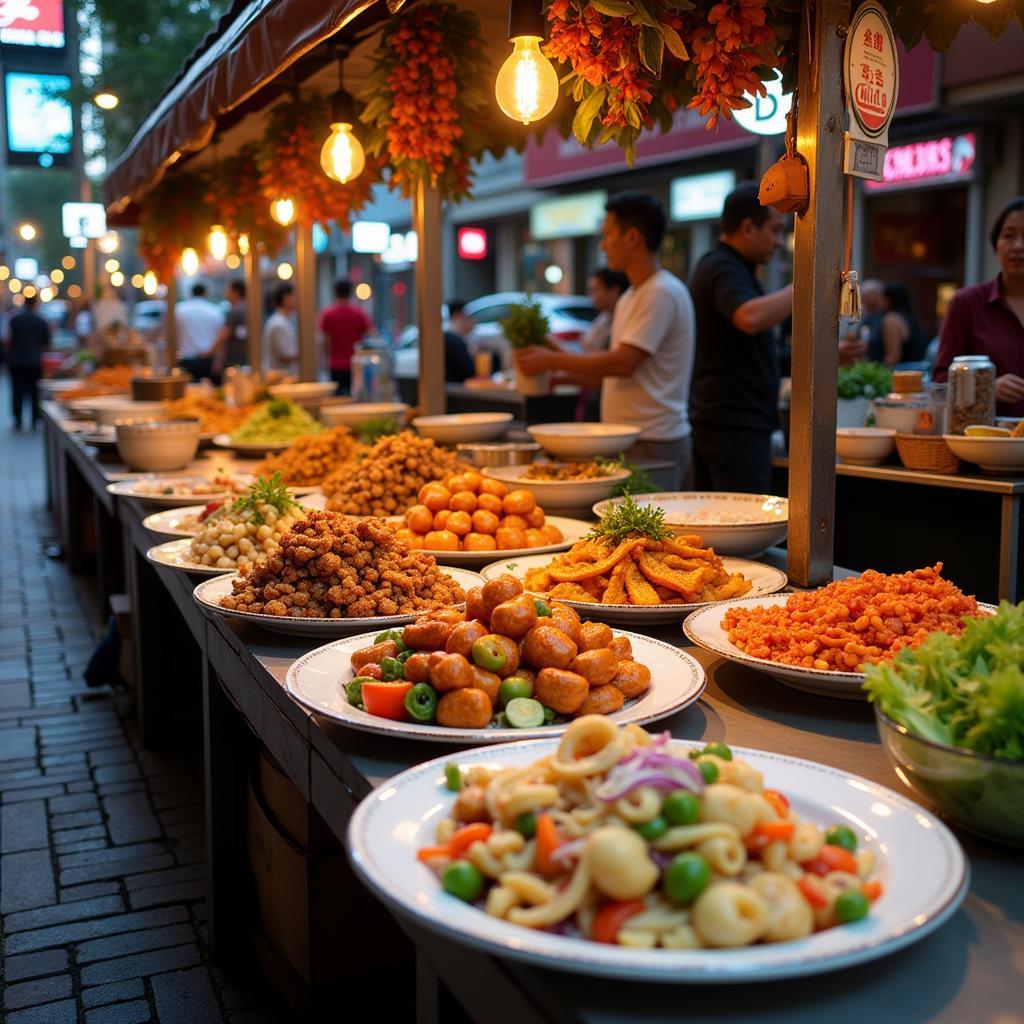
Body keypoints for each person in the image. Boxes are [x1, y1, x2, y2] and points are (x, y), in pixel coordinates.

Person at [515, 193, 695, 486]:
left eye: (608, 236)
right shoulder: (631, 295)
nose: (602, 245)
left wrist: (551, 359)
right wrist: (553, 373)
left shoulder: (660, 291)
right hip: (627, 439)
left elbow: (623, 364)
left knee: (650, 531)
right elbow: (606, 377)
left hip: (654, 440)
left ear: (633, 237)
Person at [688, 182, 792, 493]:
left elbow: (753, 352)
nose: (778, 242)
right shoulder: (721, 265)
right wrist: (809, 285)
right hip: (732, 428)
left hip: (731, 424)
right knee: (740, 532)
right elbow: (750, 317)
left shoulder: (735, 268)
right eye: (774, 230)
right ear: (748, 227)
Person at [934, 197, 1024, 417]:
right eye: (1008, 236)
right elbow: (941, 381)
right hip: (985, 441)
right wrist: (987, 388)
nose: (1018, 246)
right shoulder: (967, 303)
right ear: (996, 245)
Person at [578, 268, 630, 420]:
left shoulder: (622, 319)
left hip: (610, 405)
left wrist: (552, 360)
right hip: (600, 402)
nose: (591, 296)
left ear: (614, 291)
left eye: (595, 290)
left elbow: (608, 366)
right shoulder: (603, 320)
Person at [319, 279, 372, 394]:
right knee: (355, 397)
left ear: (335, 292)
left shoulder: (328, 314)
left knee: (337, 399)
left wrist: (324, 359)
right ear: (351, 292)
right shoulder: (359, 313)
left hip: (335, 364)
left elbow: (325, 341)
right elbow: (370, 335)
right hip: (356, 364)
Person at [7, 294, 50, 430]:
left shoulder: (14, 320)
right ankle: (34, 419)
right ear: (35, 303)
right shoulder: (41, 321)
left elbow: (8, 341)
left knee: (16, 390)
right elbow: (46, 345)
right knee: (34, 391)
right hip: (34, 361)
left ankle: (18, 419)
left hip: (16, 361)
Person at [175, 283, 224, 382]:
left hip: (186, 360)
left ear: (190, 293)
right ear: (206, 293)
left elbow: (173, 334)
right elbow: (220, 338)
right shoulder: (215, 311)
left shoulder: (179, 310)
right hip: (208, 360)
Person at [870, 283, 927, 367]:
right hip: (914, 373)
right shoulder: (910, 317)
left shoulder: (891, 319)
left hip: (900, 375)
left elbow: (893, 357)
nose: (878, 300)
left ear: (888, 300)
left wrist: (875, 373)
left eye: (881, 297)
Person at [838, 278, 883, 366]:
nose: (864, 297)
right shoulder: (861, 313)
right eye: (863, 294)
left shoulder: (887, 317)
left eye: (869, 294)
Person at [212, 280, 248, 375]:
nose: (225, 293)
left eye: (228, 290)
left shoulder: (235, 311)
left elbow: (224, 335)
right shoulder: (250, 307)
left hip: (234, 360)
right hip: (247, 358)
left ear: (236, 292)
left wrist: (209, 352)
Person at [264, 283, 299, 376]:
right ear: (286, 298)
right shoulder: (278, 323)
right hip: (280, 378)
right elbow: (285, 355)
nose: (297, 299)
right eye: (294, 295)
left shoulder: (283, 320)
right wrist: (307, 351)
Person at [443, 300, 476, 383]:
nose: (473, 321)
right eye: (469, 316)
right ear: (458, 316)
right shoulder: (455, 342)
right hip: (457, 392)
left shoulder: (446, 338)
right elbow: (470, 373)